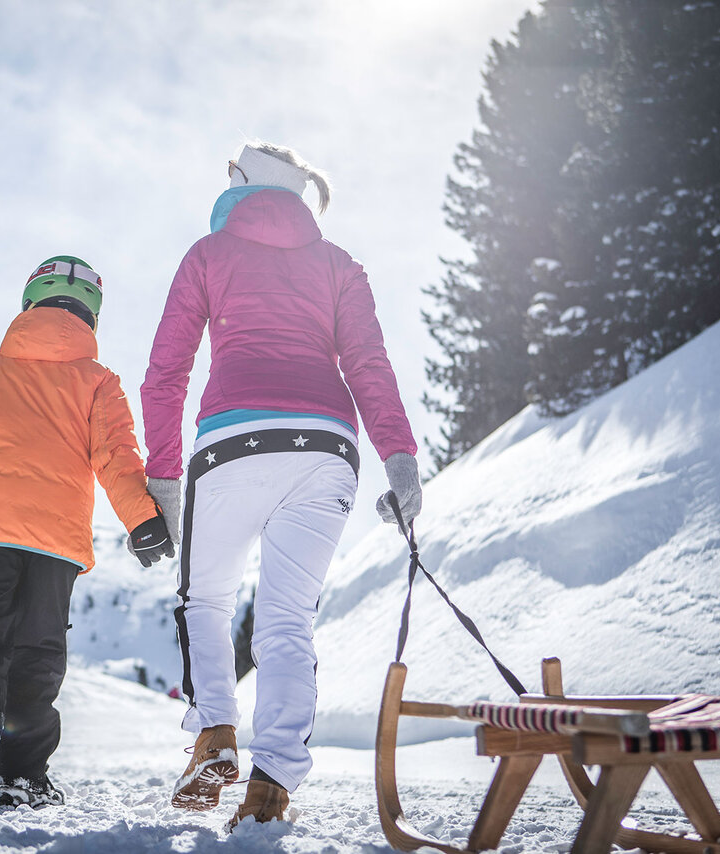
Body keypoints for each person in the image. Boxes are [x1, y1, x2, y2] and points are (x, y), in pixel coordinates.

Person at [140, 141, 423, 827]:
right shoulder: (339, 264)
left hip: (233, 440)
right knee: (290, 620)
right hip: (327, 445)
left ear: (241, 183)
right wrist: (400, 457)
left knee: (204, 599)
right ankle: (270, 784)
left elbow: (166, 372)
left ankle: (214, 734)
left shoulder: (207, 255)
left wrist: (164, 477)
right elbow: (369, 364)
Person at [0, 255, 175, 808]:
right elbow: (117, 457)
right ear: (92, 318)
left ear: (29, 304)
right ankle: (22, 775)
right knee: (38, 650)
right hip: (55, 541)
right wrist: (142, 519)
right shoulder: (99, 381)